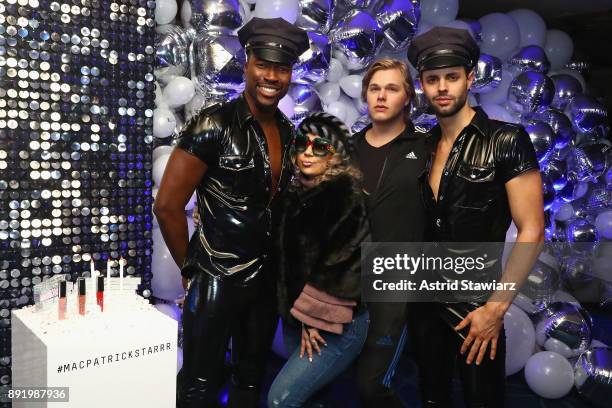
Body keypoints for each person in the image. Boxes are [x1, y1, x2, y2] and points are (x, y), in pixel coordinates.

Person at [153, 18, 309, 408]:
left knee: (251, 379)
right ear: (247, 64)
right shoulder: (212, 124)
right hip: (216, 277)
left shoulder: (290, 134)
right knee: (199, 385)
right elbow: (168, 206)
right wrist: (193, 269)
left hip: (265, 282)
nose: (271, 76)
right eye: (263, 64)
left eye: (282, 67)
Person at [407, 27, 545, 407]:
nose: (442, 88)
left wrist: (496, 308)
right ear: (422, 84)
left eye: (452, 77)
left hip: (478, 303)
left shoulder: (507, 140)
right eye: (432, 79)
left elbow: (532, 228)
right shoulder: (423, 145)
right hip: (423, 300)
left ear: (470, 78)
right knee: (431, 396)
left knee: (483, 399)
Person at [267, 113, 370, 407]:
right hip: (297, 320)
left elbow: (344, 267)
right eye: (302, 143)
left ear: (335, 153)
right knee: (312, 399)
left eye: (320, 146)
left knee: (281, 399)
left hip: (334, 324)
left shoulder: (345, 196)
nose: (308, 152)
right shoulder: (295, 192)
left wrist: (313, 320)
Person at [352, 59, 429, 407]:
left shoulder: (427, 150)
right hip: (348, 281)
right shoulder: (346, 150)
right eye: (374, 88)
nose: (381, 96)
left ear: (408, 97)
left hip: (394, 281)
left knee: (372, 385)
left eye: (392, 88)